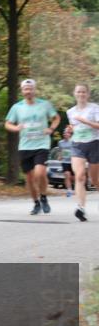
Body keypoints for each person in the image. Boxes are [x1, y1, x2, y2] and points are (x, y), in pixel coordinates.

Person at [4, 79, 60, 215]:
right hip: (25, 146)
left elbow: (56, 118)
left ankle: (43, 197)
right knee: (29, 178)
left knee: (40, 173)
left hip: (42, 144)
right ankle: (36, 203)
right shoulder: (17, 107)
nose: (28, 91)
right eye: (26, 89)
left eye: (30, 89)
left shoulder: (44, 105)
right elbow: (7, 124)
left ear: (34, 90)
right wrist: (16, 128)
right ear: (22, 91)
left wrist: (51, 128)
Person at [66, 83, 99, 222]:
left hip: (94, 144)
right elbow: (74, 127)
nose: (81, 94)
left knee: (95, 179)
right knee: (79, 176)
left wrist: (86, 121)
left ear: (88, 94)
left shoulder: (95, 108)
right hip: (77, 145)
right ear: (74, 94)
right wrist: (70, 130)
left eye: (84, 92)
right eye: (78, 92)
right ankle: (81, 207)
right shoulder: (70, 112)